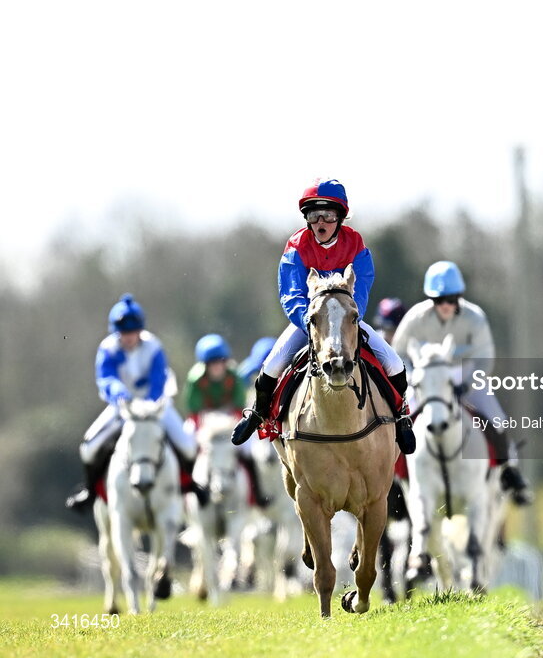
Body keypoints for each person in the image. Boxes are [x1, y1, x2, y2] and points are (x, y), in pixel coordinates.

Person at [230, 178, 416, 454]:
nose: (321, 222)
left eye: (328, 215)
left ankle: (401, 416)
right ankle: (257, 413)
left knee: (393, 363)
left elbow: (362, 287)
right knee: (271, 365)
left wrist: (349, 318)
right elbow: (291, 292)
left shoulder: (356, 243)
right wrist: (309, 320)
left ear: (340, 218)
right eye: (314, 215)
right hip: (309, 322)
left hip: (346, 318)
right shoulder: (296, 246)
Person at [391, 261, 533, 505]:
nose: (445, 305)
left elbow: (484, 359)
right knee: (398, 422)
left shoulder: (475, 318)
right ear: (431, 299)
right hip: (427, 379)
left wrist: (465, 386)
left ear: (459, 297)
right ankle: (392, 479)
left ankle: (510, 470)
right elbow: (399, 352)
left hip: (466, 378)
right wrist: (414, 376)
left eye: (451, 299)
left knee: (496, 418)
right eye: (439, 300)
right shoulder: (415, 318)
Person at [66, 294, 206, 512]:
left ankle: (190, 485)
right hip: (122, 408)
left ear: (140, 330)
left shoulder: (153, 347)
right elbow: (106, 378)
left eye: (133, 332)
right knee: (89, 447)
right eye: (124, 333)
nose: (129, 337)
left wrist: (149, 404)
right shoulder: (108, 349)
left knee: (188, 446)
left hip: (155, 407)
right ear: (116, 331)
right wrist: (120, 393)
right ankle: (90, 491)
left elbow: (159, 379)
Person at [184, 333, 269, 507]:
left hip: (230, 419)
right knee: (186, 447)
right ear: (205, 365)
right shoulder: (195, 379)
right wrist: (205, 430)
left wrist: (232, 426)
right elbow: (193, 410)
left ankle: (257, 495)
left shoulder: (234, 375)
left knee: (250, 452)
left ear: (225, 362)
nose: (217, 367)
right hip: (204, 420)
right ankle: (186, 494)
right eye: (212, 364)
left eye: (220, 362)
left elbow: (239, 406)